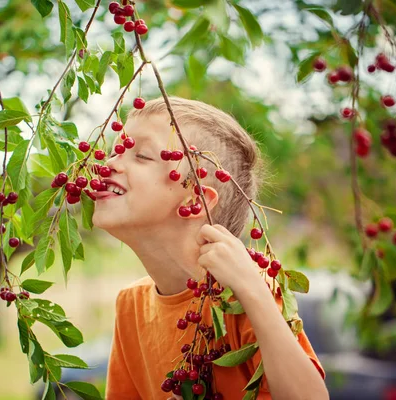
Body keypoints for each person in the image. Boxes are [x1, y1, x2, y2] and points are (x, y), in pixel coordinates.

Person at [92, 97, 328, 400]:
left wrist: (253, 291)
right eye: (115, 151)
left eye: (141, 156)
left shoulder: (244, 292)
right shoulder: (131, 305)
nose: (109, 163)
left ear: (194, 200)